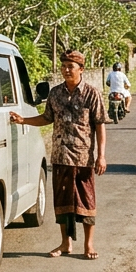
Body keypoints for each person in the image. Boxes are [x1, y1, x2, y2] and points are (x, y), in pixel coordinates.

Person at [9, 50, 107, 259]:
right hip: (61, 157)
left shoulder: (92, 94)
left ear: (81, 69)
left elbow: (99, 125)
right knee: (62, 202)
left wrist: (101, 155)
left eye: (70, 66)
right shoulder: (55, 93)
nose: (65, 69)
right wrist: (23, 120)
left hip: (83, 158)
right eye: (63, 66)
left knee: (86, 201)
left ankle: (89, 245)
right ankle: (65, 244)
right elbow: (46, 118)